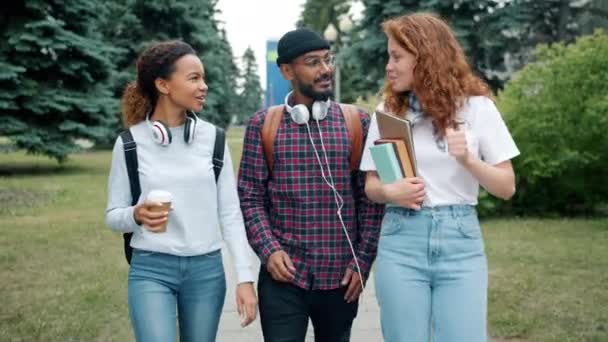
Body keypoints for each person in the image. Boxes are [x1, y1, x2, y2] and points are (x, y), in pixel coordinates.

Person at [360, 13, 520, 342]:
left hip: (460, 243)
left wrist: (468, 160)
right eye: (390, 56)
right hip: (401, 241)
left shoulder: (477, 109)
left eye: (397, 57)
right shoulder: (388, 112)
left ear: (426, 56)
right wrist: (392, 193)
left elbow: (506, 186)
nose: (389, 66)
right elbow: (371, 186)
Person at [237, 28, 384, 342]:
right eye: (313, 62)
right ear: (287, 71)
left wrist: (362, 261)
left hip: (341, 279)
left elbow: (372, 202)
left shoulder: (358, 121)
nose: (325, 69)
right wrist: (269, 249)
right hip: (283, 279)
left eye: (327, 60)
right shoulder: (262, 125)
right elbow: (250, 198)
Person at [105, 40, 257, 342]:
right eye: (194, 78)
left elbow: (230, 213)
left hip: (206, 271)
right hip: (150, 268)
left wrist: (245, 278)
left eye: (203, 78)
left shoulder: (214, 140)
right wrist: (136, 214)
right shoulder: (130, 143)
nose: (204, 86)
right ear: (163, 84)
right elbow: (113, 216)